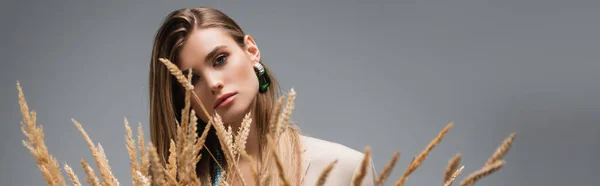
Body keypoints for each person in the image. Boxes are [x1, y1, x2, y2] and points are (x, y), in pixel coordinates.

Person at [148, 7, 376, 186]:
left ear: (251, 51)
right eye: (192, 80)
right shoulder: (175, 182)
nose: (213, 83)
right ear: (180, 102)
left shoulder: (345, 170)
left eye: (220, 60)